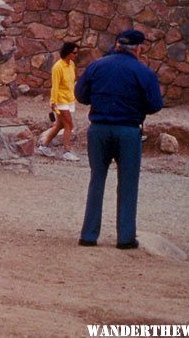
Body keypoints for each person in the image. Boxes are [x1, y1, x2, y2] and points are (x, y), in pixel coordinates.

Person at [75, 29, 163, 249]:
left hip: (99, 129)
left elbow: (81, 96)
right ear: (139, 48)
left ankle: (88, 235)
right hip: (128, 131)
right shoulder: (143, 72)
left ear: (117, 45)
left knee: (97, 180)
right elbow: (155, 105)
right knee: (128, 184)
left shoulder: (97, 66)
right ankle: (125, 238)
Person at [37, 42, 80, 161]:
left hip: (69, 98)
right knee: (69, 125)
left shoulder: (71, 64)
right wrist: (53, 101)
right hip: (60, 100)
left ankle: (44, 146)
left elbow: (71, 82)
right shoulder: (57, 67)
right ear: (68, 52)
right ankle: (67, 151)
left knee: (60, 125)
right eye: (74, 53)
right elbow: (55, 86)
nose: (76, 55)